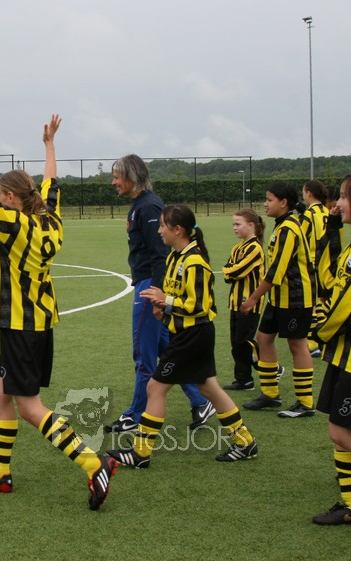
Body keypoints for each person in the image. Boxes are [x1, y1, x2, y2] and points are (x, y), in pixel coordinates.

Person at [0, 114, 117, 511]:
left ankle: (94, 463)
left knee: (31, 407)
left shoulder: (13, 224)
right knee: (0, 392)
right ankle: (0, 473)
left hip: (21, 324)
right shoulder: (50, 219)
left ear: (11, 198)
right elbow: (50, 183)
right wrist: (49, 145)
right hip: (40, 320)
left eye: (1, 196)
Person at [107, 205, 259, 467]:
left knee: (155, 388)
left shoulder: (194, 261)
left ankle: (140, 453)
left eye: (162, 225)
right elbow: (176, 297)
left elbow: (199, 306)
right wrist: (162, 307)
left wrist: (165, 300)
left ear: (178, 229)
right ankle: (245, 442)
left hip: (193, 335)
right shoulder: (175, 258)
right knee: (209, 388)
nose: (159, 230)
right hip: (187, 334)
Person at [105, 154, 214, 434]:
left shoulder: (149, 206)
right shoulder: (140, 205)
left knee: (144, 354)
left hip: (150, 288)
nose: (113, 182)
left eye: (116, 176)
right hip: (147, 284)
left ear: (131, 177)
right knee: (167, 350)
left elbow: (161, 254)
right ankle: (201, 401)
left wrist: (157, 295)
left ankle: (137, 414)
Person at [241, 181, 316, 418]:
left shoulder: (288, 228)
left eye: (269, 199)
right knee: (264, 339)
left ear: (283, 203)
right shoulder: (282, 225)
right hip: (278, 298)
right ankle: (270, 394)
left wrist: (253, 298)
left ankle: (305, 403)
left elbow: (276, 272)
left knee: (297, 345)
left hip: (296, 299)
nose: (265, 204)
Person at [310, 173, 351, 525]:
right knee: (345, 434)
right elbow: (330, 282)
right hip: (346, 354)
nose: (337, 203)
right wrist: (330, 233)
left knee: (341, 431)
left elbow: (350, 305)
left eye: (342, 196)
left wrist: (319, 334)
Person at [222, 209, 266, 391]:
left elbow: (236, 271)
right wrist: (230, 270)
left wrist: (230, 270)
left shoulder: (255, 248)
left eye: (238, 224)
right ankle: (244, 379)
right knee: (236, 343)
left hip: (249, 303)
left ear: (251, 225)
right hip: (235, 301)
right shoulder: (237, 248)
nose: (235, 228)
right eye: (233, 224)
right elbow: (228, 274)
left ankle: (270, 366)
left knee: (244, 341)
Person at [299, 179, 329, 358]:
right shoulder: (326, 211)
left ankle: (312, 342)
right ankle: (325, 338)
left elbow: (299, 236)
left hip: (312, 262)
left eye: (303, 192)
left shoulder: (309, 214)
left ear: (309, 193)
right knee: (323, 300)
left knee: (311, 303)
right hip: (328, 262)